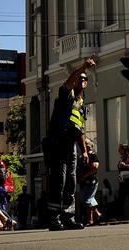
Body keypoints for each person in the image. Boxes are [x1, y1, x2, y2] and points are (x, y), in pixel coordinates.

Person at [44, 57, 96, 231]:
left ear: (86, 83)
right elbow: (70, 80)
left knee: (71, 182)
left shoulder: (82, 105)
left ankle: (68, 217)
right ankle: (54, 218)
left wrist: (84, 151)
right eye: (78, 78)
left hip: (71, 146)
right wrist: (83, 67)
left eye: (84, 79)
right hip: (58, 142)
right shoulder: (66, 94)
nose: (80, 80)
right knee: (59, 180)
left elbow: (79, 128)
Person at [77, 139, 102, 226]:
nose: (85, 145)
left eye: (87, 144)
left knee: (87, 200)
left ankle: (92, 218)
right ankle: (96, 216)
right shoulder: (81, 157)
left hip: (91, 182)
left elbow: (95, 167)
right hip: (83, 183)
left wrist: (84, 176)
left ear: (91, 146)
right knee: (88, 200)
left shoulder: (92, 155)